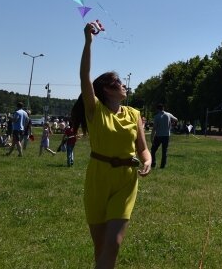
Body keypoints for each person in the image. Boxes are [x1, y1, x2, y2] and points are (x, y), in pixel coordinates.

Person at [73, 22, 151, 269]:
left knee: (114, 242)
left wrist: (148, 160)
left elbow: (143, 147)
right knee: (101, 248)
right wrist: (88, 41)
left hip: (126, 180)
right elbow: (84, 76)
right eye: (120, 83)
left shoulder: (134, 114)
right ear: (107, 89)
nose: (124, 86)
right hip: (98, 178)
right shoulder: (94, 110)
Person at [151, 104, 177, 169]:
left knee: (153, 150)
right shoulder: (168, 114)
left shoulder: (156, 116)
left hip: (158, 135)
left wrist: (152, 137)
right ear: (163, 108)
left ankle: (153, 163)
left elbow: (154, 128)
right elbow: (176, 119)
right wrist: (172, 124)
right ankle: (162, 166)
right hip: (166, 135)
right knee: (164, 151)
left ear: (157, 109)